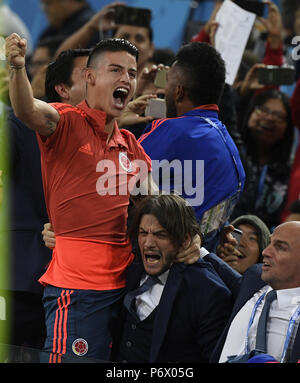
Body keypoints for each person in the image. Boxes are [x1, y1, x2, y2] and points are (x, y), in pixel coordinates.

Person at [5, 34, 154, 360]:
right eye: (115, 69)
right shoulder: (65, 122)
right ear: (90, 77)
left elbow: (154, 211)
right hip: (78, 290)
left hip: (125, 288)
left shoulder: (132, 146)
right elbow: (27, 109)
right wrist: (18, 69)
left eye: (131, 72)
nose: (126, 79)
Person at [138, 41, 245, 250]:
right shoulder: (233, 152)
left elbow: (115, 180)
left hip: (150, 262)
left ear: (178, 92)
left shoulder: (170, 131)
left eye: (167, 84)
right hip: (195, 266)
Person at [111, 194, 233, 363]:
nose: (148, 243)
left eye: (160, 235)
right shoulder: (130, 268)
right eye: (143, 233)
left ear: (185, 240)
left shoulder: (208, 292)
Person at [210, 221, 300, 363]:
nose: (266, 251)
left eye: (280, 247)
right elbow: (221, 269)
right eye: (270, 243)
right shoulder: (254, 277)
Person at [230, 88, 298, 230]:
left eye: (278, 116)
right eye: (263, 110)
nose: (269, 118)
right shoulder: (231, 150)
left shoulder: (289, 171)